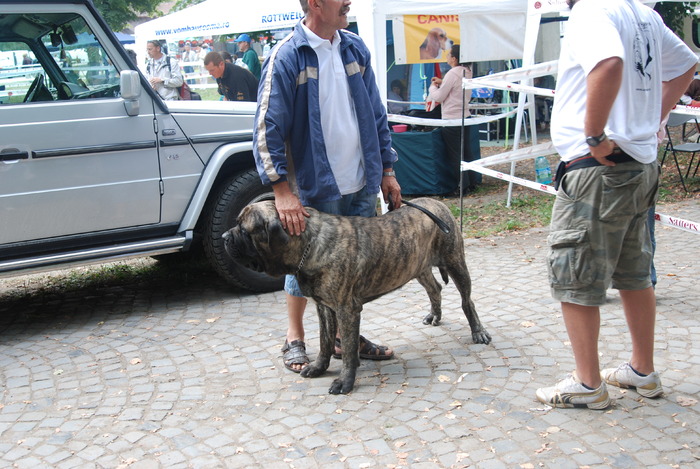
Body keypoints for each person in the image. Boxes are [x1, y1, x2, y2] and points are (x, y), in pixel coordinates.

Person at [535, 0, 697, 410]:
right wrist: (653, 121)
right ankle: (643, 371)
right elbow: (686, 65)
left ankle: (587, 384)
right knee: (634, 270)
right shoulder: (642, 13)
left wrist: (593, 134)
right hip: (638, 164)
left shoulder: (592, 11)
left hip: (598, 168)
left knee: (574, 272)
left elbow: (608, 64)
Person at [253, 0, 402, 373]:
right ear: (316, 3)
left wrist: (386, 169)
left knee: (354, 267)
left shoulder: (354, 46)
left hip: (361, 180)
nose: (349, 2)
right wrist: (281, 190)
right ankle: (294, 337)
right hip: (315, 186)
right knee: (304, 266)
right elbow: (266, 126)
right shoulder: (287, 57)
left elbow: (376, 112)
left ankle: (341, 338)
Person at [426, 44, 479, 193]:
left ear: (454, 58)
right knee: (467, 151)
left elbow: (439, 96)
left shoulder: (452, 73)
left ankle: (462, 186)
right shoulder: (467, 72)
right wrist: (442, 83)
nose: (447, 57)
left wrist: (432, 87)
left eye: (449, 55)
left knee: (455, 154)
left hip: (451, 119)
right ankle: (472, 181)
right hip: (465, 116)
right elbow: (456, 88)